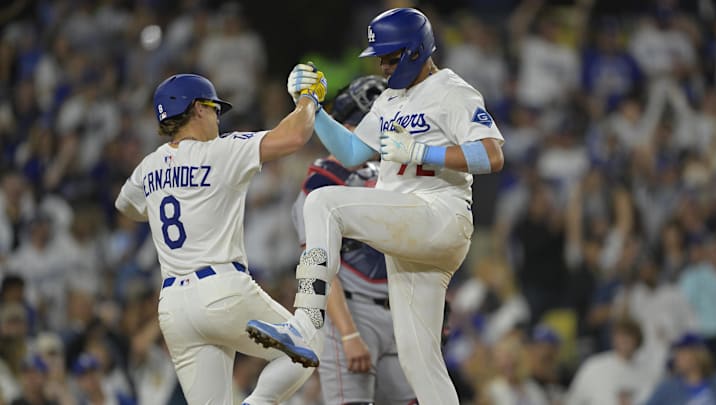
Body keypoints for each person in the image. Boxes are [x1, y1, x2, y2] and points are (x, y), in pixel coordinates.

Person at [246, 8, 505, 404]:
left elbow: (492, 156)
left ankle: (305, 322)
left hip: (439, 214)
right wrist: (311, 108)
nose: (382, 65)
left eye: (389, 56)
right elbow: (351, 151)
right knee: (421, 363)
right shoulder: (389, 99)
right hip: (410, 239)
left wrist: (422, 152)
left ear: (416, 51)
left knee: (323, 202)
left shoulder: (453, 91)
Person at [114, 70, 327, 404]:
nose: (217, 117)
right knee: (308, 343)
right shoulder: (219, 151)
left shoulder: (148, 167)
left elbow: (125, 205)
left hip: (173, 306)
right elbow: (296, 136)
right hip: (221, 291)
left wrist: (165, 198)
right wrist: (308, 98)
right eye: (214, 108)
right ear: (198, 108)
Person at [292, 75, 417, 404]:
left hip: (399, 313)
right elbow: (317, 269)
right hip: (352, 311)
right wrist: (347, 333)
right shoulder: (323, 179)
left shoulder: (389, 172)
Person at [645, 333, 716, 404]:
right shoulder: (668, 388)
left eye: (683, 354)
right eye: (677, 354)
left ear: (698, 356)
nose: (677, 359)